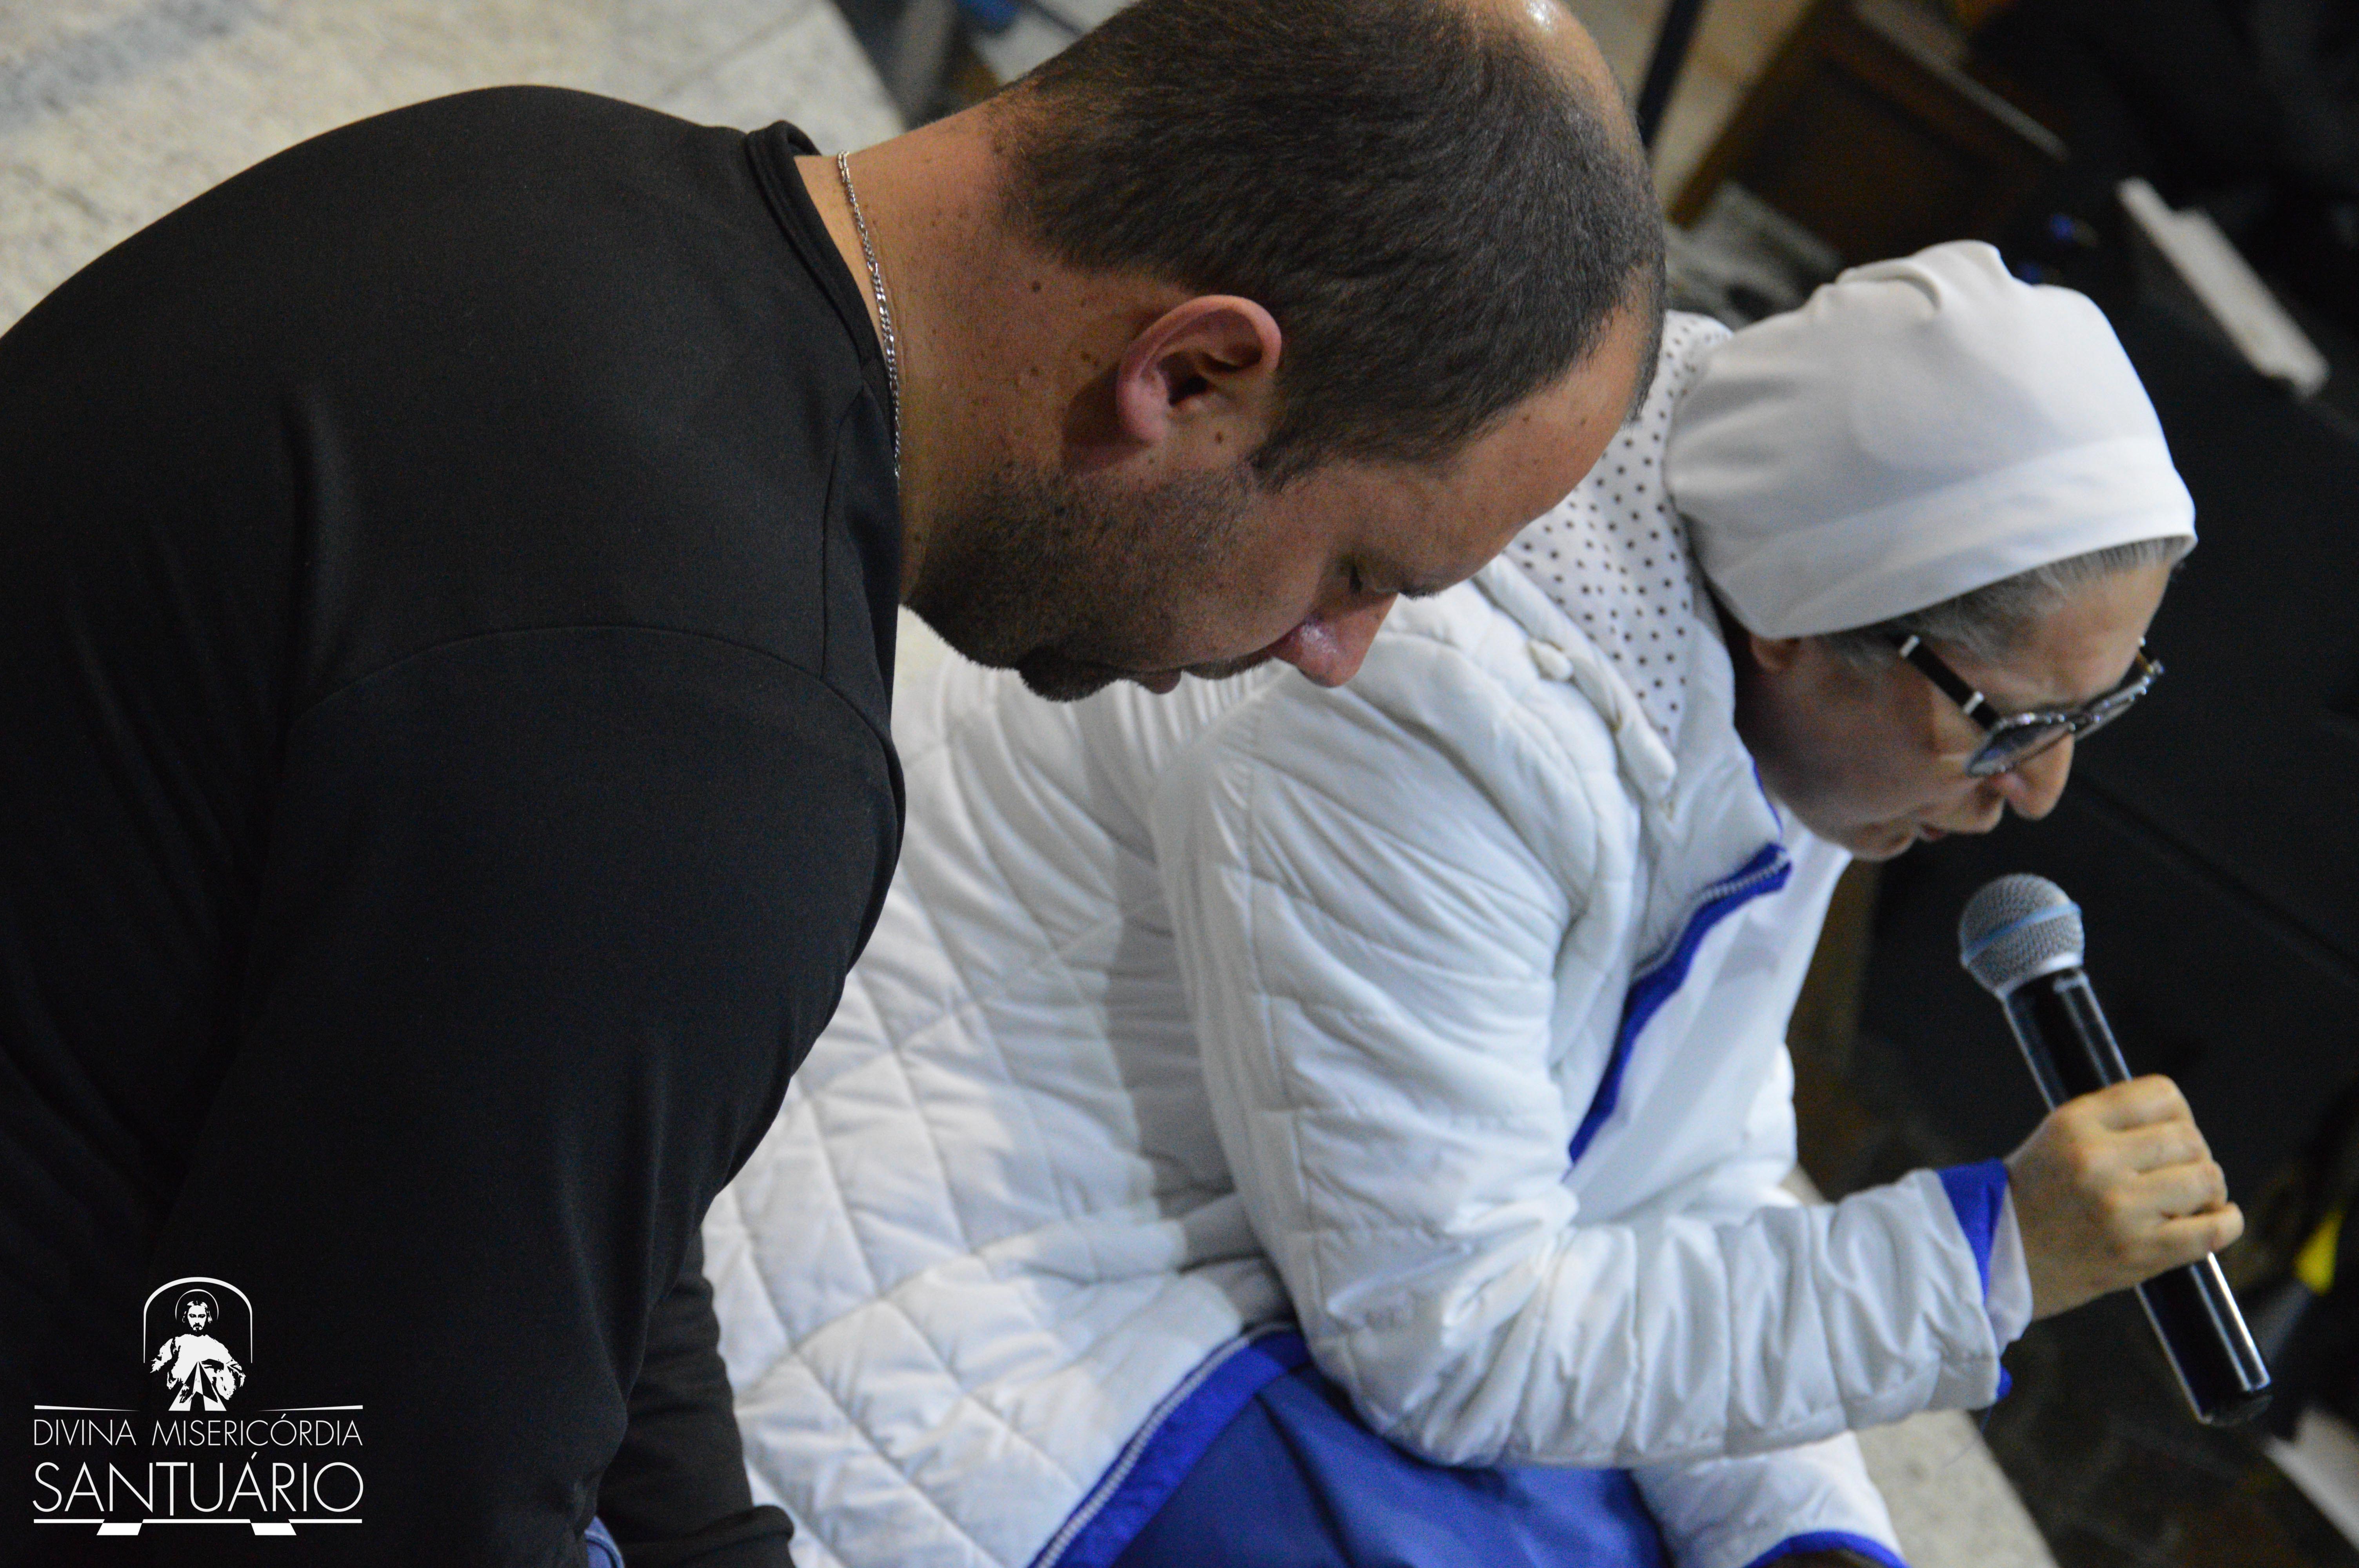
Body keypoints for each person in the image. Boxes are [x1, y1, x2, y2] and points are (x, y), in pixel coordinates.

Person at [0, 0, 1662, 1560]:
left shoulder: (545, 164)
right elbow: (361, 1498)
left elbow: (567, 1186)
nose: (1335, 651)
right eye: (1360, 566)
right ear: (1193, 375)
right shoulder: (706, 737)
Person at [703, 242, 2239, 1568]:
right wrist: (1983, 1257)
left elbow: (1674, 1178)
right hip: (992, 1253)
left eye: (2092, 714)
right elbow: (1451, 1339)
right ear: (1800, 629)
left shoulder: (1814, 673)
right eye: (2017, 721)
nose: (2040, 791)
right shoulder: (1430, 718)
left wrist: (1797, 1530)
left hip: (1289, 1229)